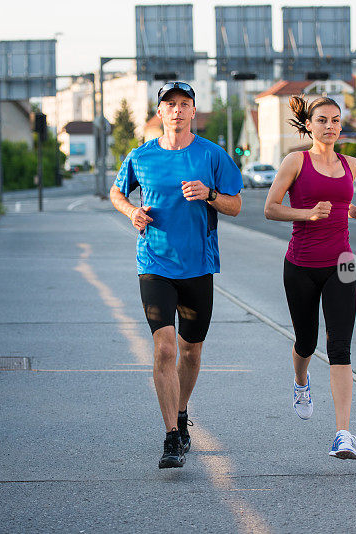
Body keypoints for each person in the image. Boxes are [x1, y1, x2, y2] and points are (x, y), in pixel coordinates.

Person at [109, 81, 242, 468]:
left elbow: (236, 205)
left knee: (191, 351)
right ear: (160, 113)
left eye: (185, 104)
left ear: (193, 112)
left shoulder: (212, 155)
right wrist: (130, 212)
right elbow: (117, 193)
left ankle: (182, 413)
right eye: (171, 105)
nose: (178, 111)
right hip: (154, 263)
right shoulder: (141, 156)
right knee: (164, 348)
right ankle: (171, 437)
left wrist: (210, 195)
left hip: (198, 266)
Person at [264, 95, 356, 459]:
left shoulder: (352, 165)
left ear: (341, 126)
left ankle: (344, 434)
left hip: (342, 264)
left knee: (340, 347)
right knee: (306, 341)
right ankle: (301, 382)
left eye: (335, 120)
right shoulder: (295, 161)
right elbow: (270, 208)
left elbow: (341, 209)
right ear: (309, 125)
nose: (330, 126)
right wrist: (307, 214)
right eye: (322, 120)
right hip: (301, 265)